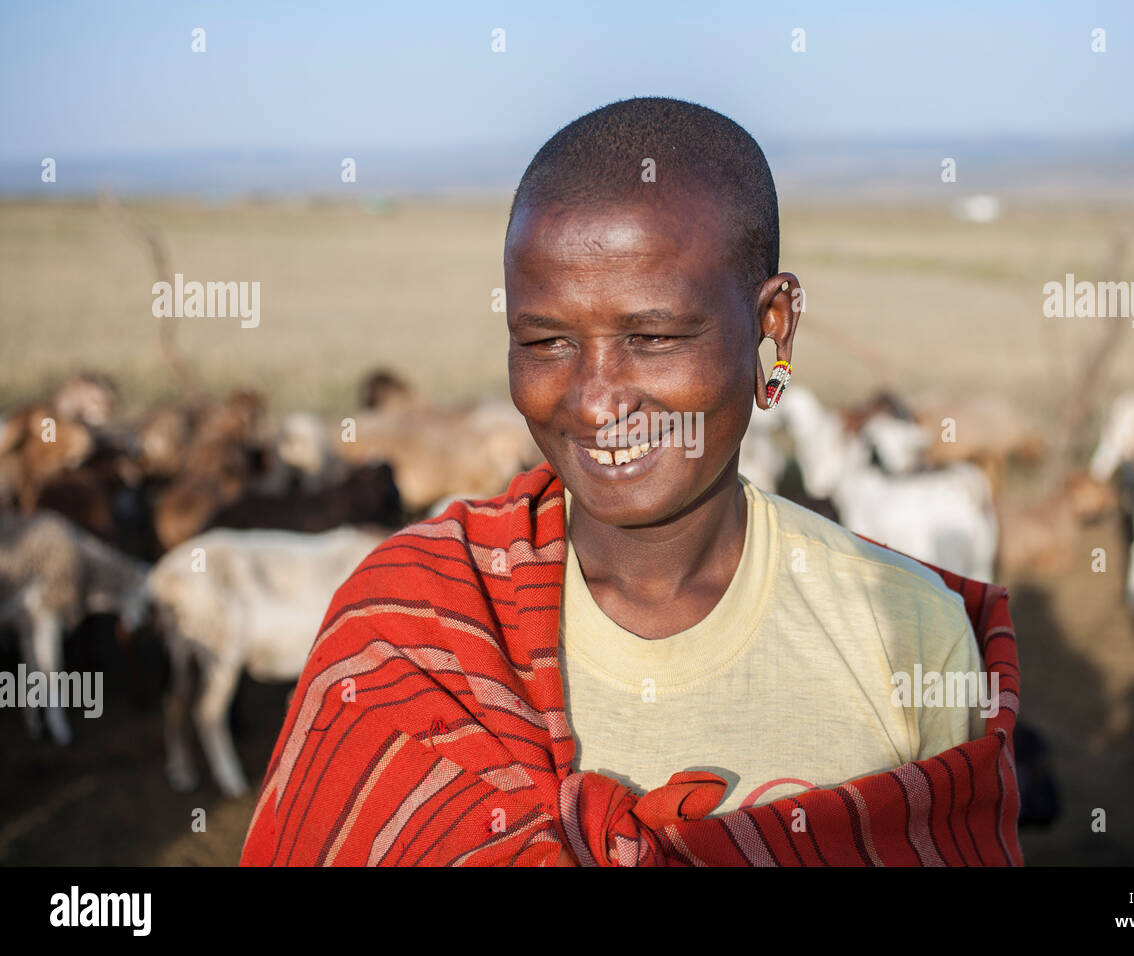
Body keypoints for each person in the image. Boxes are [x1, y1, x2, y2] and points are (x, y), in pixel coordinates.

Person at [240, 96, 1022, 866]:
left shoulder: (902, 631)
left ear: (770, 328)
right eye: (545, 342)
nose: (596, 399)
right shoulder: (409, 626)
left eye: (653, 337)